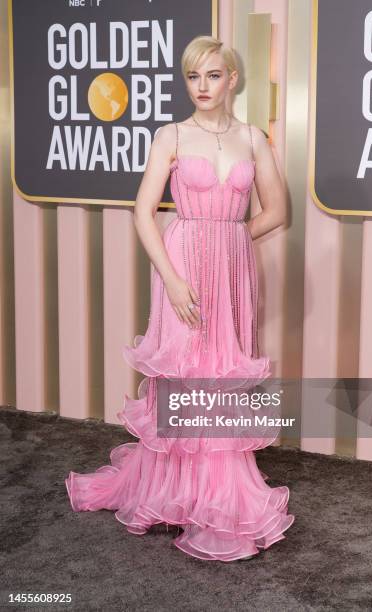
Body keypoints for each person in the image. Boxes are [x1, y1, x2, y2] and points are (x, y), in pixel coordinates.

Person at [65, 35, 295, 562]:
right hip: (181, 265)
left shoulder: (254, 139)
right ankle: (172, 489)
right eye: (193, 77)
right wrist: (172, 274)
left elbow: (277, 211)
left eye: (213, 75)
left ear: (232, 79)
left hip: (231, 271)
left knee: (221, 373)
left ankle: (215, 493)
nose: (202, 86)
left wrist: (229, 241)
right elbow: (144, 211)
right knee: (185, 371)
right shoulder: (171, 134)